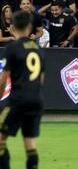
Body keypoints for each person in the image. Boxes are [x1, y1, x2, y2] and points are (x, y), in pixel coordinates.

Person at [0, 10, 45, 169]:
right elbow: (41, 80)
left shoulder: (12, 48)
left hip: (18, 100)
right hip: (36, 100)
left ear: (13, 27)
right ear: (30, 26)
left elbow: (4, 80)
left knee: (1, 140)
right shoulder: (39, 50)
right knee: (30, 145)